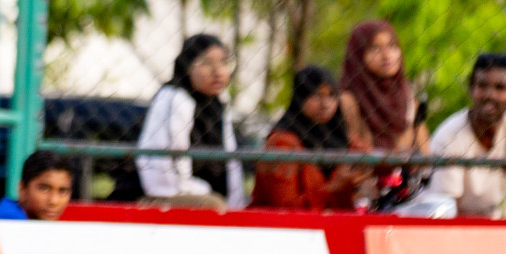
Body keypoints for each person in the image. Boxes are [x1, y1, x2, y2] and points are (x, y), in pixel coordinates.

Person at [425, 53, 506, 218]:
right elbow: (445, 209)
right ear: (471, 90)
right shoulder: (449, 136)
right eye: (482, 86)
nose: (490, 95)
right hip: (452, 224)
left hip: (490, 224)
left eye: (500, 88)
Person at [136, 33, 245, 210]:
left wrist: (235, 202)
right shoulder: (174, 98)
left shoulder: (218, 103)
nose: (218, 71)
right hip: (164, 194)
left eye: (224, 63)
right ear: (187, 66)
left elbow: (231, 164)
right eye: (207, 63)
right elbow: (166, 171)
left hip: (204, 194)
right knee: (214, 207)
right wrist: (203, 192)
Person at [252, 66, 360, 211]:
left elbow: (367, 155)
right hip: (286, 228)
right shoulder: (283, 142)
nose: (325, 104)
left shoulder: (338, 137)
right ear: (300, 98)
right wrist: (333, 187)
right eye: (316, 95)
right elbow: (284, 207)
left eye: (331, 96)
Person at [340, 19, 427, 156]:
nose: (387, 56)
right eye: (375, 48)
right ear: (358, 55)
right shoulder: (349, 98)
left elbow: (424, 148)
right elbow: (355, 147)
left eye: (392, 46)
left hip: (406, 173)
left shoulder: (406, 93)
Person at [0, 150, 74, 220]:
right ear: (22, 188)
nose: (54, 201)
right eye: (44, 189)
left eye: (63, 191)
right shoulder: (8, 220)